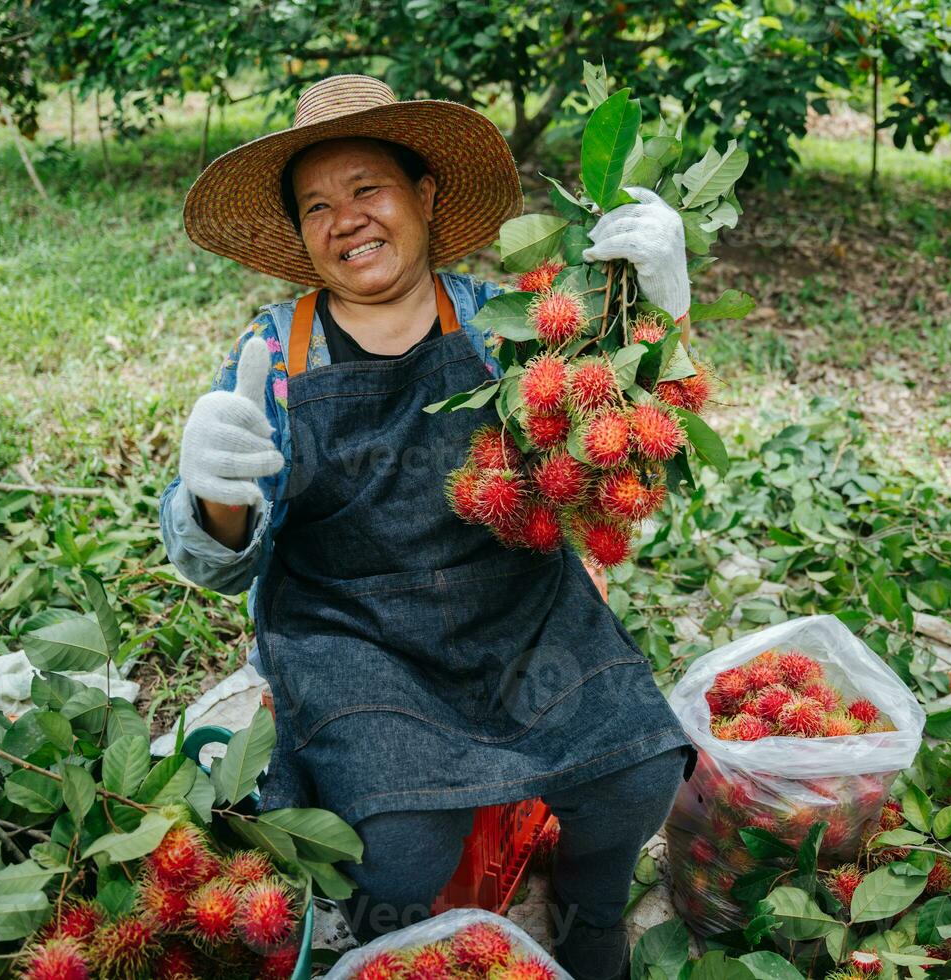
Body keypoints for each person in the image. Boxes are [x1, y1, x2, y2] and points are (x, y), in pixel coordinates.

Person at [161, 75, 697, 979]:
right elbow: (217, 559)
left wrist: (660, 321)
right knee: (402, 845)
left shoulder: (504, 326)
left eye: (368, 189)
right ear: (299, 234)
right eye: (317, 205)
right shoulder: (276, 355)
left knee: (636, 774)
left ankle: (590, 910)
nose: (347, 220)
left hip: (516, 609)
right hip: (351, 632)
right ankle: (392, 948)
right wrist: (213, 493)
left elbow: (618, 452)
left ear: (425, 196)